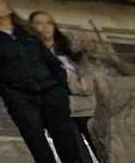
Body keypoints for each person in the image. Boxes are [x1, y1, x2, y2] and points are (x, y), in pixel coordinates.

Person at [0, 0, 81, 163]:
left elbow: (51, 61)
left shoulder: (28, 33)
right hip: (20, 97)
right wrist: (9, 93)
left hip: (51, 91)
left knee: (67, 142)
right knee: (37, 143)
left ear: (9, 7)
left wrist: (60, 88)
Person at [29, 11, 120, 162]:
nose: (45, 27)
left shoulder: (69, 50)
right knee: (77, 156)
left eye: (48, 22)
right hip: (60, 112)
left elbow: (87, 81)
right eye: (39, 23)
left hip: (87, 108)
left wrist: (73, 83)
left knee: (104, 152)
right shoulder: (32, 55)